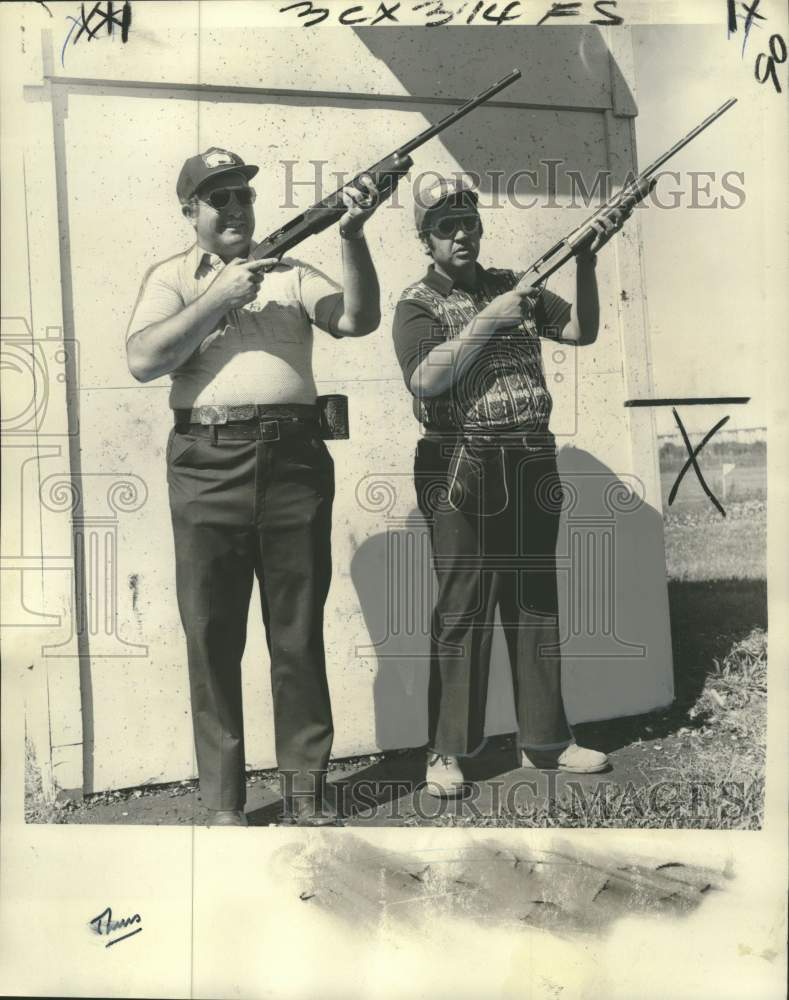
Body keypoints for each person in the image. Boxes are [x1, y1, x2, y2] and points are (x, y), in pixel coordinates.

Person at [126, 147, 388, 825]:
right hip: (206, 465)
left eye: (243, 195)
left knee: (295, 634)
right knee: (211, 635)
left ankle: (306, 793)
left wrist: (353, 237)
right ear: (191, 213)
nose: (237, 208)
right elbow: (142, 360)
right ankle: (223, 804)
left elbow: (356, 320)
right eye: (220, 199)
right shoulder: (171, 278)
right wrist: (219, 295)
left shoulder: (293, 272)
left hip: (294, 464)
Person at [392, 176, 631, 797]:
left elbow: (580, 330)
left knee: (534, 601)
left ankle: (547, 742)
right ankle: (447, 753)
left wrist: (584, 260)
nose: (461, 232)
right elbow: (425, 380)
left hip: (528, 457)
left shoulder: (514, 284)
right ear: (426, 238)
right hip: (458, 463)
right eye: (446, 225)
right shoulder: (416, 302)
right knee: (462, 606)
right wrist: (492, 320)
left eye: (468, 220)